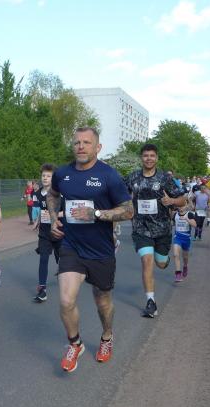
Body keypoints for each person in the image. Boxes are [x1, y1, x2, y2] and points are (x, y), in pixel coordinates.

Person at [46, 127, 133, 373]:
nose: (81, 146)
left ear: (98, 147)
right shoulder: (62, 174)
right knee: (66, 300)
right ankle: (75, 344)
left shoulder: (109, 176)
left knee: (102, 300)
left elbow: (129, 210)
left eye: (86, 142)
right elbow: (52, 195)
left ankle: (107, 336)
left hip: (101, 250)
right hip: (71, 245)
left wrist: (95, 213)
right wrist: (53, 219)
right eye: (77, 142)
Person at [122, 144, 186, 318]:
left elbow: (183, 199)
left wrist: (172, 201)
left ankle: (165, 260)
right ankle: (151, 302)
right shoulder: (132, 177)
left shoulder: (165, 178)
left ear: (156, 158)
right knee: (147, 260)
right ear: (141, 158)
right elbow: (120, 194)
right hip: (141, 228)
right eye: (145, 155)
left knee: (161, 263)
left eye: (152, 155)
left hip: (162, 229)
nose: (148, 158)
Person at [32, 164, 61, 302]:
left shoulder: (59, 194)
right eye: (43, 175)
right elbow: (41, 210)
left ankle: (64, 273)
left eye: (48, 176)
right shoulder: (37, 194)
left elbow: (67, 212)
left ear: (53, 178)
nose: (45, 178)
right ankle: (42, 289)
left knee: (61, 260)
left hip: (59, 231)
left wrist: (54, 215)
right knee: (43, 258)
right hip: (44, 233)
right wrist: (37, 221)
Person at [172, 200, 197, 282]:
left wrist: (187, 219)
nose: (181, 208)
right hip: (177, 237)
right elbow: (172, 223)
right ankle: (178, 274)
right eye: (179, 206)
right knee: (176, 254)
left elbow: (195, 225)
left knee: (185, 257)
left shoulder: (189, 214)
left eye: (182, 206)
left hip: (186, 239)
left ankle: (185, 266)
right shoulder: (175, 215)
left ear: (186, 206)